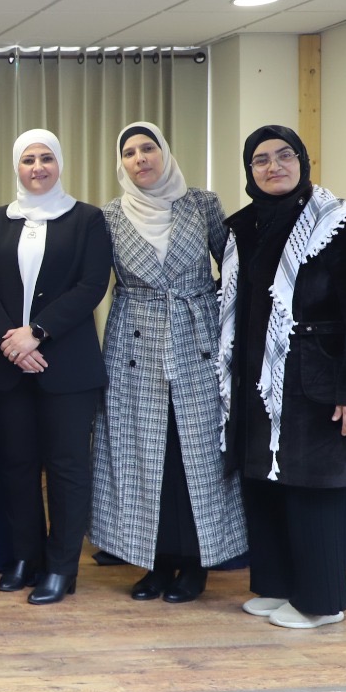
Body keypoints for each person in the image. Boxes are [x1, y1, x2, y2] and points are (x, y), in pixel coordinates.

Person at [219, 125, 346, 630]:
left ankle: (321, 602)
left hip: (318, 382)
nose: (274, 167)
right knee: (266, 483)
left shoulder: (338, 222)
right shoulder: (243, 226)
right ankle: (278, 585)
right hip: (259, 382)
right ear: (250, 171)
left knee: (314, 490)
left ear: (302, 161)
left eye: (284, 156)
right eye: (261, 160)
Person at [91, 122, 246, 603]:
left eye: (148, 148)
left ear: (165, 152)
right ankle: (155, 563)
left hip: (197, 339)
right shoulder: (109, 216)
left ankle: (196, 563)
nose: (140, 158)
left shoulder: (202, 204)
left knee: (194, 454)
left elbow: (236, 267)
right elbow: (92, 281)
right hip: (133, 345)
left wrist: (222, 319)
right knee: (142, 453)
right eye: (130, 152)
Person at [0, 129, 112, 605]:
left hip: (67, 365)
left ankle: (60, 568)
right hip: (11, 365)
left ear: (59, 164)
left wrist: (37, 332)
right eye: (28, 159)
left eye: (46, 158)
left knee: (67, 469)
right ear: (16, 166)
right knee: (17, 466)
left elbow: (91, 285)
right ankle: (25, 557)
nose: (37, 167)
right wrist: (12, 342)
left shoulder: (87, 219)